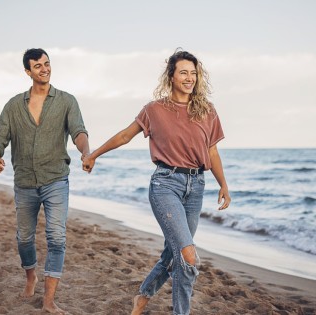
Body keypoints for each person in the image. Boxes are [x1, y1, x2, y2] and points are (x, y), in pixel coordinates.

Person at [82, 49, 231, 315]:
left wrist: (224, 184)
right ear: (171, 76)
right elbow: (126, 136)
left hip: (197, 186)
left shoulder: (207, 110)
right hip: (165, 185)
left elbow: (212, 151)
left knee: (174, 253)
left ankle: (143, 296)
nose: (190, 78)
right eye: (183, 72)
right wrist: (94, 154)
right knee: (188, 256)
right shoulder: (155, 109)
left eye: (193, 73)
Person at [0, 48, 90, 314]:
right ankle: (30, 276)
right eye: (38, 66)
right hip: (25, 182)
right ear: (28, 72)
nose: (45, 69)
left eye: (47, 64)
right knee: (24, 238)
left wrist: (86, 152)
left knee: (57, 238)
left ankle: (49, 300)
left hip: (56, 179)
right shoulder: (13, 106)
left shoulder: (66, 101)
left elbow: (78, 131)